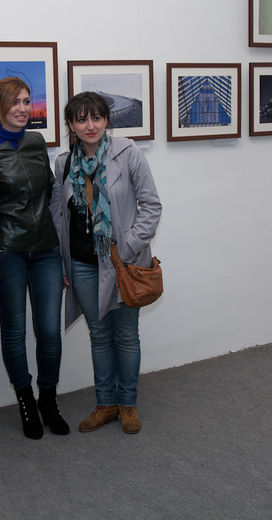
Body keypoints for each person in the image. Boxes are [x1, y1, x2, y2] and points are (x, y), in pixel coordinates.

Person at [50, 92, 162, 434]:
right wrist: (65, 263)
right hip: (83, 264)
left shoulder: (128, 153)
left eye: (96, 118)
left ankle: (128, 404)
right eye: (81, 119)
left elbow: (151, 207)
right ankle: (105, 404)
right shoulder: (64, 163)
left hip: (123, 263)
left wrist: (126, 248)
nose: (90, 126)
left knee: (126, 335)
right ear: (70, 124)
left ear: (106, 121)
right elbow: (58, 213)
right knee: (99, 336)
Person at [0, 77, 69, 439]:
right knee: (15, 331)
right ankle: (25, 400)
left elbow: (51, 196)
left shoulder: (38, 142)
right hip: (7, 252)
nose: (24, 108)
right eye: (15, 102)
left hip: (46, 250)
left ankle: (48, 399)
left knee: (50, 331)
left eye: (27, 101)